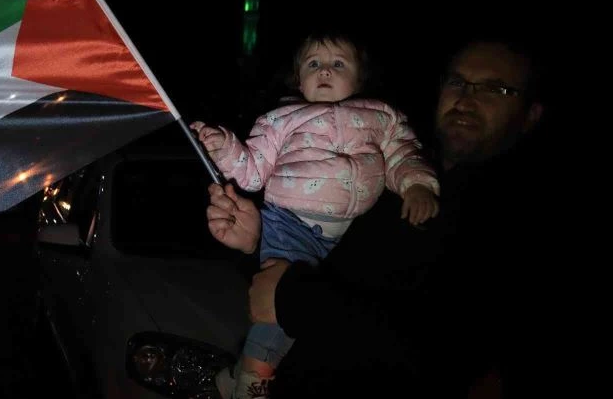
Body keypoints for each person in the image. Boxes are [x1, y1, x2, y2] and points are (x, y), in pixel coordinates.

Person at [206, 39, 550, 397]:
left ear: (531, 114)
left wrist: (293, 298)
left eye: (495, 88)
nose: (466, 98)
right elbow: (308, 266)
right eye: (457, 81)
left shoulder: (514, 218)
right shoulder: (385, 165)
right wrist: (256, 242)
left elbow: (451, 357)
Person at [191, 32, 440, 398]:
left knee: (300, 308)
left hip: (343, 234)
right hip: (288, 222)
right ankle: (252, 382)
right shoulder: (280, 119)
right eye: (313, 64)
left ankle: (235, 375)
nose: (324, 71)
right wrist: (225, 148)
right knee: (279, 305)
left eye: (338, 64)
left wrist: (417, 185)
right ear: (298, 80)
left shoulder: (382, 116)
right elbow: (252, 171)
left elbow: (404, 152)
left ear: (360, 78)